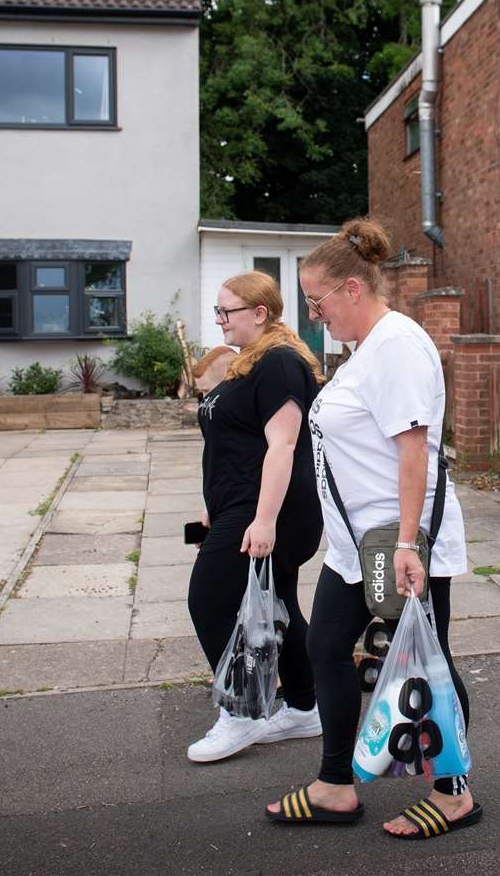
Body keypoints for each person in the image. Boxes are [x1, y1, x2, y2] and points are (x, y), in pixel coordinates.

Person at [264, 218, 483, 840]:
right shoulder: (367, 349)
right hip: (358, 545)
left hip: (397, 542)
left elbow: (414, 450)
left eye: (317, 300)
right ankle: (336, 786)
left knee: (428, 658)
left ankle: (453, 794)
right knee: (325, 646)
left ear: (352, 289)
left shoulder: (398, 345)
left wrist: (411, 545)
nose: (314, 313)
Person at [186, 271, 326, 763]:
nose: (220, 319)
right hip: (238, 506)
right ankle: (307, 708)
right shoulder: (247, 365)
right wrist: (213, 505)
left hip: (270, 511)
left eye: (228, 311)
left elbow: (283, 445)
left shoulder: (281, 364)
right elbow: (234, 445)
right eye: (218, 312)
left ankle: (242, 713)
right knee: (279, 602)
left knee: (208, 600)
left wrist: (263, 520)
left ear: (260, 313)